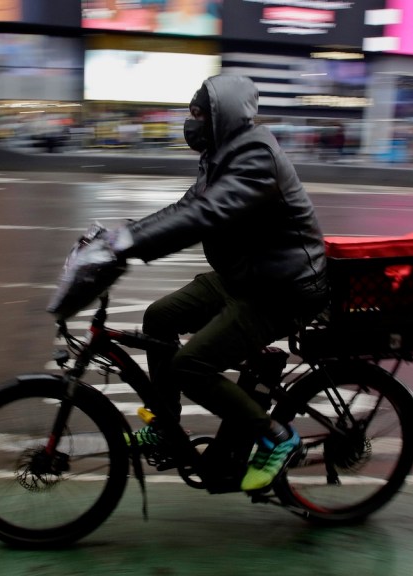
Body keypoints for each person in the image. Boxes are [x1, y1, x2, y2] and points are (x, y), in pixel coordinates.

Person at [105, 75, 329, 492]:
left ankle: (277, 438)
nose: (189, 122)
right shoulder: (220, 153)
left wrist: (130, 245)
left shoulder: (256, 155)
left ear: (219, 116)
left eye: (196, 113)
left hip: (283, 288)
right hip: (245, 276)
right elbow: (186, 207)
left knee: (190, 365)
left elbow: (206, 214)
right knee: (159, 318)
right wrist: (121, 235)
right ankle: (166, 431)